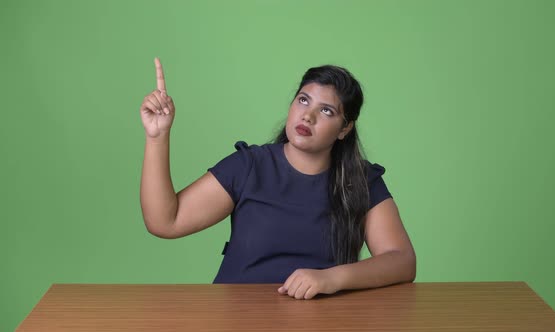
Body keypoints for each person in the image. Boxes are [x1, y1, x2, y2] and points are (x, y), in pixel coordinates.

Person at [140, 58, 416, 300]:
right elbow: (165, 221)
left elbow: (402, 261)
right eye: (303, 100)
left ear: (345, 129)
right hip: (236, 318)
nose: (307, 116)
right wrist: (157, 136)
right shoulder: (249, 166)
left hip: (322, 320)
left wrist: (331, 279)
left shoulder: (361, 180)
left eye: (326, 111)